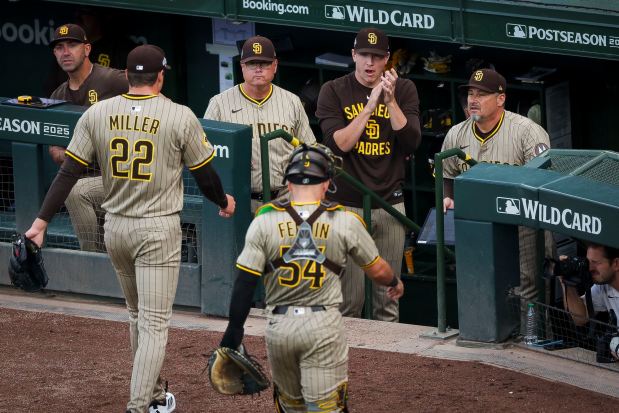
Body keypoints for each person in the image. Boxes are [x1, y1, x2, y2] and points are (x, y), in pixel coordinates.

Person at [25, 44, 236, 413]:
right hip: (156, 231)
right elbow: (205, 176)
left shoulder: (99, 111)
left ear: (127, 75)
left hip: (116, 230)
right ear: (160, 76)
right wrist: (223, 202)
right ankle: (138, 407)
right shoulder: (179, 115)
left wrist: (40, 222)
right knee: (154, 323)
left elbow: (68, 172)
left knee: (138, 316)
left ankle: (154, 397)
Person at [218, 143, 403, 412]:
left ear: (289, 184)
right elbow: (377, 270)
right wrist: (394, 282)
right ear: (327, 183)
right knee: (327, 407)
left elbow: (245, 283)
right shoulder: (345, 220)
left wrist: (233, 331)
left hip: (279, 328)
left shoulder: (263, 220)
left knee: (291, 406)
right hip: (323, 326)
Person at [315, 27, 421, 322]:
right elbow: (339, 146)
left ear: (387, 59)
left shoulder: (405, 89)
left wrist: (389, 101)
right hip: (346, 206)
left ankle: (387, 369)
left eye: (377, 56)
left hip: (389, 204)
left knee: (386, 302)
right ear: (353, 55)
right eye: (364, 55)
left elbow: (412, 141)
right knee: (348, 301)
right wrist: (370, 106)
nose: (370, 63)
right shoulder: (334, 90)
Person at [440, 68, 552, 312]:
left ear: (501, 99)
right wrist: (449, 199)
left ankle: (528, 343)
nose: (473, 100)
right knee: (483, 285)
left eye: (482, 94)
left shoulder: (527, 132)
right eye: (471, 93)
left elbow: (544, 183)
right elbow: (448, 176)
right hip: (479, 225)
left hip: (524, 224)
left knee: (528, 289)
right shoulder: (455, 134)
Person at [204, 35, 316, 212]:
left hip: (286, 199)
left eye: (264, 63)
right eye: (252, 64)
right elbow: (206, 157)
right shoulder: (219, 104)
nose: (258, 69)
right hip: (240, 201)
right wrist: (220, 198)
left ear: (275, 66)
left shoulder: (291, 102)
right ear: (242, 67)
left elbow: (309, 149)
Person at [48, 23, 128, 252]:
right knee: (75, 189)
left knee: (75, 192)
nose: (66, 51)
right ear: (55, 54)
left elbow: (153, 94)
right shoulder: (58, 95)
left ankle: (89, 260)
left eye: (72, 45)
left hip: (123, 175)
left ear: (87, 49)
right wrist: (61, 152)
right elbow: (54, 146)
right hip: (89, 180)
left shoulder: (112, 80)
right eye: (59, 47)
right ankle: (95, 260)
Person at [562, 243, 619, 327]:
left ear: (616, 264)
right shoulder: (603, 285)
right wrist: (568, 284)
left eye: (595, 262)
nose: (589, 268)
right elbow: (580, 319)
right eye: (587, 262)